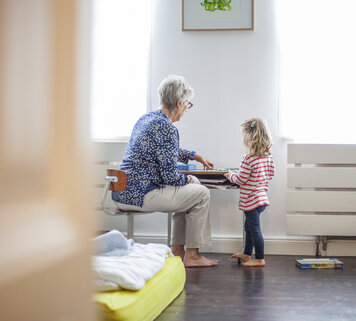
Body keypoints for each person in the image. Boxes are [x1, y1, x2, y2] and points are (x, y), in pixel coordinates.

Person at [112, 74, 218, 267]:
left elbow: (163, 150)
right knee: (201, 193)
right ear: (179, 103)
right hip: (140, 195)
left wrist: (194, 155)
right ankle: (192, 255)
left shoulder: (146, 119)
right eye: (188, 105)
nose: (187, 110)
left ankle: (177, 250)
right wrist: (189, 180)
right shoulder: (167, 128)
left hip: (122, 191)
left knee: (190, 191)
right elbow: (170, 176)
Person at [224, 118, 275, 267]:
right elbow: (271, 174)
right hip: (261, 199)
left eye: (243, 135)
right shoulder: (268, 157)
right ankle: (247, 254)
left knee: (254, 229)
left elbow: (240, 179)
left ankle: (259, 258)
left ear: (249, 137)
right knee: (249, 228)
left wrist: (230, 175)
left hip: (251, 200)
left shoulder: (248, 159)